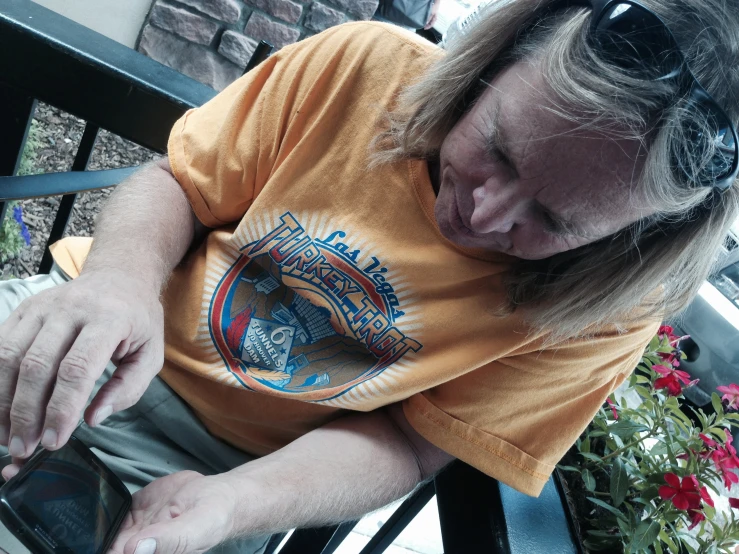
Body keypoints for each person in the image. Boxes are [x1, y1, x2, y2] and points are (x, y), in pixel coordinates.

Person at [1, 0, 738, 552]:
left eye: (554, 221)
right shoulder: (363, 65)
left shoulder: (613, 309)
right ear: (490, 65)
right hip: (95, 343)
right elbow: (178, 185)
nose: (483, 214)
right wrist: (118, 284)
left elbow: (411, 444)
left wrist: (233, 505)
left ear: (628, 237)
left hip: (229, 476)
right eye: (499, 149)